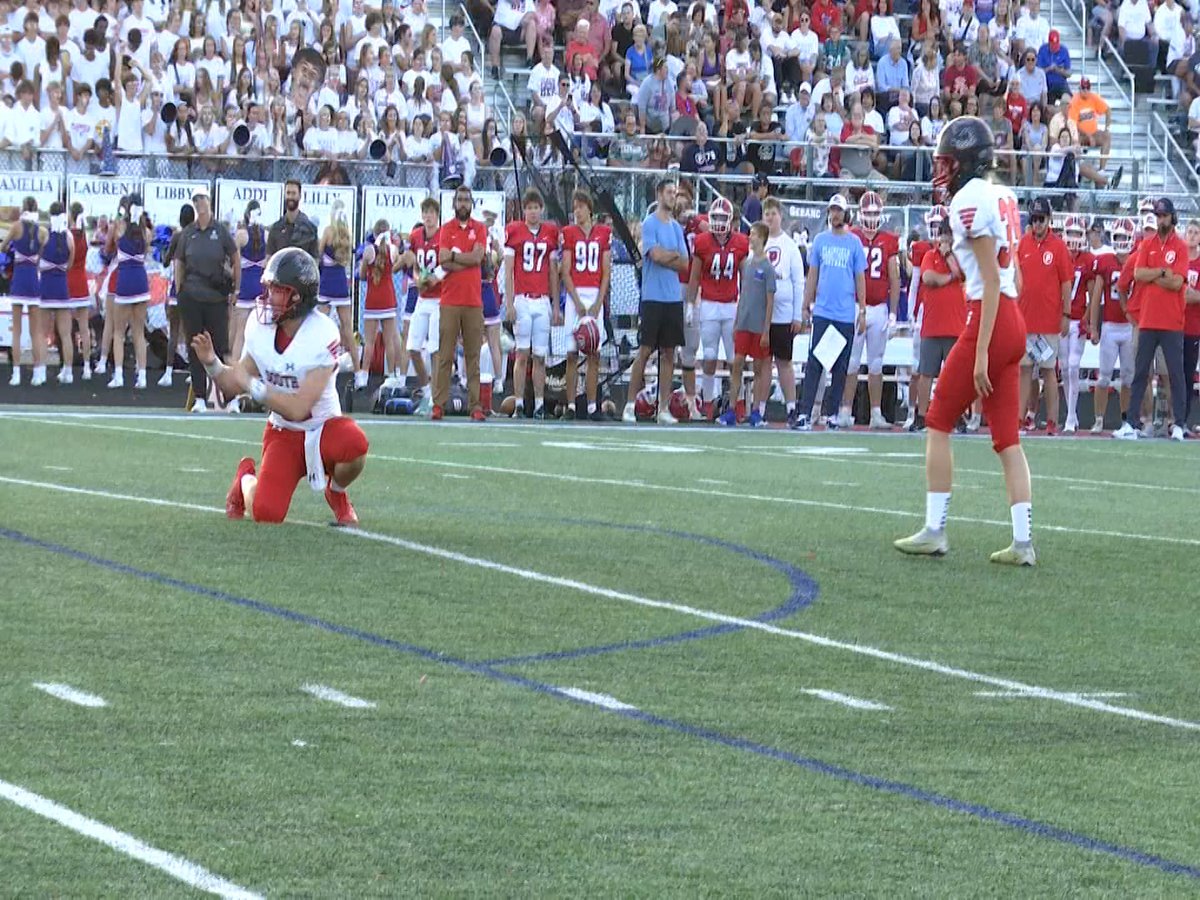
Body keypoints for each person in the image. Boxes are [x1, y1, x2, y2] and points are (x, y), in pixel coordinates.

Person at [895, 116, 1035, 565]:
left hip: (989, 318)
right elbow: (1011, 278)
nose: (943, 170)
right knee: (1007, 438)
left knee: (937, 420)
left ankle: (935, 529)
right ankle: (1023, 543)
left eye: (948, 162)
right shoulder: (1000, 194)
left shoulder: (969, 201)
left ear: (966, 162)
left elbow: (990, 282)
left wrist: (979, 356)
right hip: (1012, 318)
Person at [193, 248, 367, 527]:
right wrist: (212, 363)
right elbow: (231, 385)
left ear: (297, 297)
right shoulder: (260, 329)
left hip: (323, 427)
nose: (267, 296)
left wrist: (253, 386)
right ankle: (244, 481)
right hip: (283, 432)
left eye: (276, 290)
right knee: (266, 513)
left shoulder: (322, 334)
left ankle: (337, 494)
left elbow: (299, 408)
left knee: (355, 443)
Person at [1115, 199, 1189, 441]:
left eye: (1164, 216)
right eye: (1158, 216)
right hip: (1147, 320)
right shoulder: (1147, 244)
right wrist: (1161, 272)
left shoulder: (1180, 246)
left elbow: (1178, 282)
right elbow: (1138, 274)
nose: (1161, 220)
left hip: (1171, 322)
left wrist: (1152, 274)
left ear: (1172, 217)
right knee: (1141, 373)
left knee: (1175, 375)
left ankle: (1178, 423)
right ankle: (1133, 422)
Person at [794, 193, 867, 430]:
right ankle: (805, 412)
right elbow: (812, 274)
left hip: (845, 312)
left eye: (839, 210)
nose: (835, 214)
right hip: (824, 310)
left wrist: (863, 309)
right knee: (815, 362)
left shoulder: (854, 242)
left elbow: (859, 277)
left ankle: (833, 413)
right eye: (832, 210)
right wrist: (806, 304)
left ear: (846, 213)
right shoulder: (821, 241)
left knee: (840, 366)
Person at [622, 179, 688, 424]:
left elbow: (685, 263)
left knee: (669, 353)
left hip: (673, 298)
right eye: (669, 192)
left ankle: (663, 407)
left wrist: (668, 256)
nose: (673, 196)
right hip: (653, 297)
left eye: (675, 193)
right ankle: (629, 404)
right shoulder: (649, 224)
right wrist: (671, 256)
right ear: (659, 194)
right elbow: (656, 255)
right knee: (646, 350)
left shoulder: (677, 228)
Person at [176, 186, 240, 412]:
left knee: (222, 347)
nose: (199, 203)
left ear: (209, 201)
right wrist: (179, 289)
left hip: (215, 297)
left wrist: (236, 289)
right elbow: (179, 261)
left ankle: (230, 398)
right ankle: (200, 397)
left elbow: (235, 257)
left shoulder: (220, 231)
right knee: (195, 346)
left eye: (202, 199)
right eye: (196, 200)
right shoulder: (188, 233)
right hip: (192, 295)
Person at [686, 196, 750, 420]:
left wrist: (744, 307)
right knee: (710, 356)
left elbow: (745, 279)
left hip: (731, 306)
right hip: (710, 305)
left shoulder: (741, 242)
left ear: (731, 219)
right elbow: (694, 277)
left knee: (735, 359)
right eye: (716, 217)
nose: (720, 222)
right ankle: (708, 402)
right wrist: (689, 304)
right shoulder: (703, 242)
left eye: (723, 217)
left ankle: (737, 403)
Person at [841, 190, 900, 428]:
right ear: (860, 214)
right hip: (856, 307)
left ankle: (876, 413)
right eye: (868, 214)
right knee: (852, 362)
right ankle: (845, 410)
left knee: (876, 363)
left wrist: (894, 313)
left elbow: (894, 279)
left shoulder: (889, 240)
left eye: (875, 214)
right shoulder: (852, 236)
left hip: (879, 309)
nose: (872, 218)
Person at [1016, 196, 1071, 434]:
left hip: (1048, 322)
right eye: (1034, 219)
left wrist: (1066, 314)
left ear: (1049, 220)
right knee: (1025, 370)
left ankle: (1051, 421)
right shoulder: (1023, 244)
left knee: (1049, 370)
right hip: (1025, 320)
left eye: (1041, 219)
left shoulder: (1058, 246)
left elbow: (1066, 282)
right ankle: (1020, 418)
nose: (1037, 224)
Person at [504, 189, 561, 419]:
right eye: (529, 208)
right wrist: (509, 303)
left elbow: (553, 274)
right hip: (523, 299)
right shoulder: (514, 231)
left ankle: (538, 404)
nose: (533, 212)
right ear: (524, 210)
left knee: (539, 356)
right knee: (522, 354)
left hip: (542, 301)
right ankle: (519, 403)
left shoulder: (550, 233)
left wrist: (556, 306)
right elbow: (508, 271)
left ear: (541, 209)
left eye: (536, 207)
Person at [434, 184, 488, 421]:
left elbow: (478, 258)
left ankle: (475, 406)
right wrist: (464, 261)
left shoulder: (480, 228)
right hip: (450, 300)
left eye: (467, 199)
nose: (463, 203)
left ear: (472, 203)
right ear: (454, 203)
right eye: (460, 200)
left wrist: (455, 257)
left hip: (473, 301)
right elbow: (442, 262)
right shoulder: (446, 229)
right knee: (445, 355)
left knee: (472, 356)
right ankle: (439, 404)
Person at [561, 190, 612, 420]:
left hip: (595, 296)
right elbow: (565, 270)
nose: (577, 210)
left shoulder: (603, 233)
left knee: (594, 354)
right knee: (572, 353)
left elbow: (606, 271)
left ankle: (593, 406)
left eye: (580, 206)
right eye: (574, 206)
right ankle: (570, 406)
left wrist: (598, 302)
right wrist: (577, 301)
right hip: (576, 298)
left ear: (589, 208)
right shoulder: (569, 233)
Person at [719, 223, 776, 427]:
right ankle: (732, 410)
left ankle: (756, 412)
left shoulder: (768, 268)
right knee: (737, 364)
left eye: (752, 235)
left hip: (759, 326)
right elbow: (743, 295)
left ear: (761, 238)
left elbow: (770, 301)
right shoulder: (748, 264)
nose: (749, 238)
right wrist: (736, 322)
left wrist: (766, 330)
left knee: (759, 369)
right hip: (743, 324)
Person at [913, 219, 967, 431]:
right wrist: (949, 277)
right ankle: (922, 414)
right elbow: (928, 278)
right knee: (926, 372)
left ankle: (957, 416)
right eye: (944, 234)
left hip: (955, 325)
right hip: (933, 325)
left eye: (950, 234)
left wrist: (948, 257)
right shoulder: (929, 255)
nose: (946, 239)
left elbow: (961, 274)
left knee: (955, 376)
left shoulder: (961, 256)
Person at [1089, 217, 1136, 432]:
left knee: (1128, 376)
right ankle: (1099, 419)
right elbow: (1097, 295)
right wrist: (1093, 326)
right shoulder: (1106, 261)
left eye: (1124, 237)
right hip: (1109, 325)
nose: (1121, 240)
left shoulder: (1137, 261)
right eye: (1117, 236)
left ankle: (1126, 419)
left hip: (1129, 327)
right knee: (1104, 375)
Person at [762, 196, 805, 426]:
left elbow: (799, 282)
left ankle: (791, 408)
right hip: (762, 316)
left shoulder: (790, 247)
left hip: (783, 314)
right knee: (762, 362)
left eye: (773, 214)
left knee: (784, 362)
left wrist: (797, 314)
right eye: (766, 214)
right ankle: (758, 409)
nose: (770, 218)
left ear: (781, 216)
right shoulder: (759, 244)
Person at [107, 194, 152, 390]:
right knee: (138, 332)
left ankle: (119, 376)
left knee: (119, 332)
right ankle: (142, 377)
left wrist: (121, 213)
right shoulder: (147, 232)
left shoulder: (119, 226)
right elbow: (146, 250)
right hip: (141, 281)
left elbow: (111, 242)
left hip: (125, 281)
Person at [401, 198, 442, 405]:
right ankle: (426, 390)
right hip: (422, 297)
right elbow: (413, 264)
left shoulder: (443, 236)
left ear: (437, 215)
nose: (428, 216)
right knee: (412, 347)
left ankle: (435, 396)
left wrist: (433, 279)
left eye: (431, 212)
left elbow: (447, 265)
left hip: (439, 299)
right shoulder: (416, 236)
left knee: (435, 348)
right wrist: (418, 279)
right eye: (425, 212)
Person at [3, 197, 46, 387]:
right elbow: (41, 255)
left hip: (19, 278)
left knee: (17, 331)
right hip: (33, 279)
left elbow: (3, 246)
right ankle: (38, 372)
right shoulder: (43, 231)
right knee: (36, 331)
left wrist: (12, 249)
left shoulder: (16, 227)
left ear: (23, 209)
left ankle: (17, 374)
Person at [1061, 214, 1097, 433]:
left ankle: (1070, 417)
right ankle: (1071, 415)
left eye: (1077, 233)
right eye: (1071, 233)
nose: (1074, 238)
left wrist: (1089, 320)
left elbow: (1093, 293)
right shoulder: (1060, 255)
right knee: (1064, 368)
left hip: (1078, 319)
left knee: (1074, 365)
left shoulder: (1088, 259)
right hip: (1063, 319)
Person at [316, 203, 358, 390]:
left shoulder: (328, 232)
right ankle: (359, 372)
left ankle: (318, 366)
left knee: (320, 326)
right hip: (341, 284)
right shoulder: (347, 235)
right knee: (347, 328)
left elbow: (318, 256)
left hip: (326, 284)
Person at [360, 220, 401, 385]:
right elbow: (393, 269)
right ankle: (392, 375)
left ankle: (363, 376)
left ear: (375, 233)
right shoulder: (394, 250)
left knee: (369, 341)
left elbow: (362, 275)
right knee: (389, 340)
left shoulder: (369, 251)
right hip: (388, 299)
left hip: (372, 300)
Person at [40, 203, 76, 384]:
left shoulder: (44, 234)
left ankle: (40, 372)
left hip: (46, 286)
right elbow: (70, 263)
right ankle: (68, 372)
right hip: (62, 287)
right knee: (65, 333)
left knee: (42, 332)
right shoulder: (69, 236)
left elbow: (38, 258)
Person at [232, 200, 267, 368]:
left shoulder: (240, 235)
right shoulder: (266, 235)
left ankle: (234, 369)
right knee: (260, 332)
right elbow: (268, 263)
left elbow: (235, 266)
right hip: (260, 288)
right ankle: (258, 370)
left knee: (240, 332)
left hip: (245, 288)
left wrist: (236, 288)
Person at [65, 202, 93, 382]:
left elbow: (67, 260)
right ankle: (87, 367)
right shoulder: (85, 235)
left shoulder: (67, 235)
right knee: (84, 328)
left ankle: (68, 369)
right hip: (82, 282)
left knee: (66, 329)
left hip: (68, 283)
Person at [266, 180, 319, 260]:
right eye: (288, 193)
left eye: (294, 193)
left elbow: (315, 261)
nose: (290, 197)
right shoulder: (275, 228)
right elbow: (269, 259)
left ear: (300, 196)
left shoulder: (310, 229)